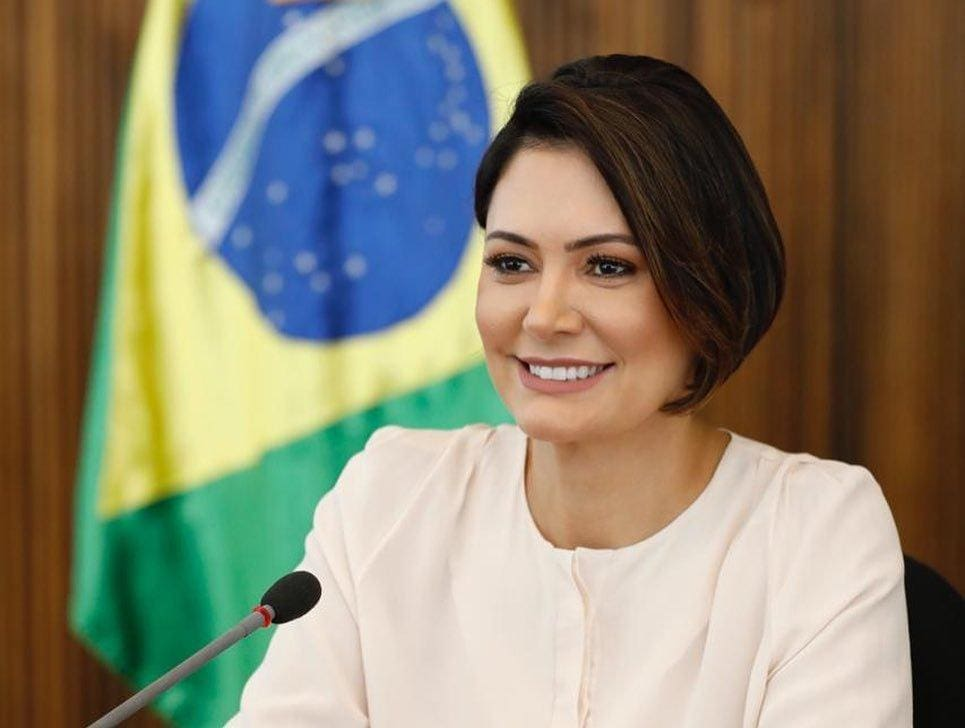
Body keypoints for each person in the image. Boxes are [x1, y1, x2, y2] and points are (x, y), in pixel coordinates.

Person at [227, 55, 912, 727]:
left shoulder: (815, 532)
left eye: (607, 266)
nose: (544, 316)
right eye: (511, 262)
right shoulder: (390, 497)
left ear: (710, 288)